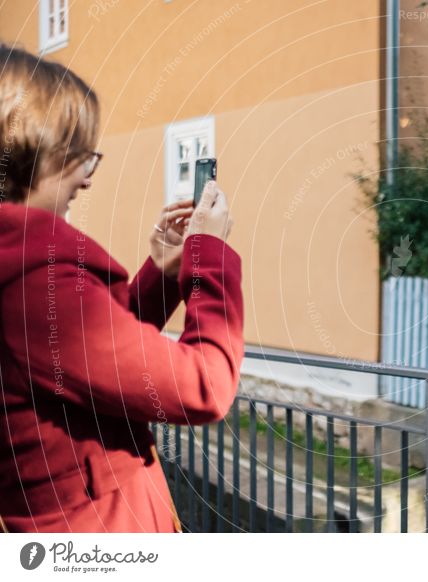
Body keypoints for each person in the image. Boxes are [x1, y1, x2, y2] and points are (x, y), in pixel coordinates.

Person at [0, 45, 243, 532]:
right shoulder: (32, 278)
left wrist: (162, 274)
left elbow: (80, 360)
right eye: (78, 157)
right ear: (33, 152)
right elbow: (203, 386)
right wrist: (210, 256)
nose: (87, 181)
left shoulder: (19, 268)